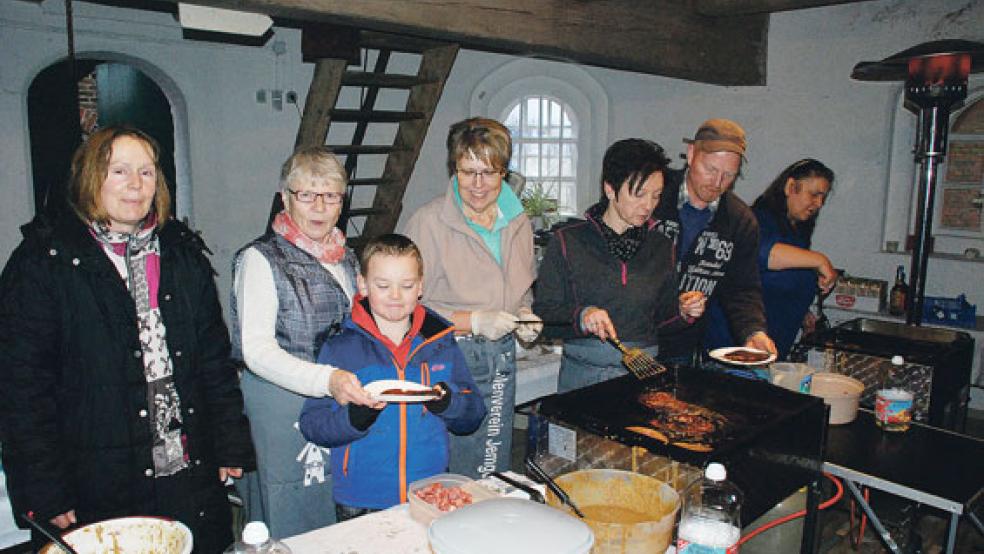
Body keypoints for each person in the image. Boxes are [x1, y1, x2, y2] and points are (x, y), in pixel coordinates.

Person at [0, 126, 254, 552]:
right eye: (119, 171)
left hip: (186, 470)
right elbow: (21, 390)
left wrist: (229, 441)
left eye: (147, 172)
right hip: (97, 478)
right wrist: (45, 488)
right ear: (89, 178)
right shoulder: (43, 263)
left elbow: (214, 360)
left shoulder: (180, 253)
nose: (136, 186)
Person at [230, 146, 377, 538]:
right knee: (290, 511)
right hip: (281, 404)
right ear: (285, 197)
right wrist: (326, 380)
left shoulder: (346, 257)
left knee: (335, 501)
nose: (319, 207)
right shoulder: (261, 259)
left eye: (330, 196)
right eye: (306, 195)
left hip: (336, 395)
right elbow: (256, 351)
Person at [298, 234, 486, 521]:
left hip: (429, 493)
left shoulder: (440, 342)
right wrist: (355, 418)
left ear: (420, 286)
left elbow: (474, 413)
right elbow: (313, 425)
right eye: (383, 285)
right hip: (360, 499)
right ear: (362, 285)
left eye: (407, 285)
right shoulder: (340, 347)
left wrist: (448, 402)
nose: (395, 296)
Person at [402, 117, 541, 479]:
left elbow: (521, 286)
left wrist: (524, 312)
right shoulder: (429, 222)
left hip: (501, 358)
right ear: (454, 169)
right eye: (468, 172)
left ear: (504, 173)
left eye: (489, 173)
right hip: (450, 358)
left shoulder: (518, 221)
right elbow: (407, 308)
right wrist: (473, 320)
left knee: (493, 462)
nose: (478, 185)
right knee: (455, 470)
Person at [533, 139, 706, 392]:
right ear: (610, 189)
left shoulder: (660, 246)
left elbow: (662, 320)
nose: (648, 206)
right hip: (583, 378)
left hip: (641, 376)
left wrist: (683, 312)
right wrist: (582, 315)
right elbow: (544, 315)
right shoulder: (569, 240)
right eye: (639, 194)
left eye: (656, 196)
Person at [652, 119, 776, 365]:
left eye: (728, 175)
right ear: (691, 155)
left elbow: (742, 288)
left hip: (682, 343)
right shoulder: (653, 193)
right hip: (632, 336)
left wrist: (753, 331)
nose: (717, 183)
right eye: (710, 169)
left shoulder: (740, 220)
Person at [705, 159, 837, 360]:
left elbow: (783, 281)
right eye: (814, 194)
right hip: (736, 343)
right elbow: (763, 253)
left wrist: (801, 312)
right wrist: (820, 260)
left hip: (771, 346)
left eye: (823, 198)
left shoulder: (797, 232)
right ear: (790, 187)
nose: (818, 204)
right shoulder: (756, 219)